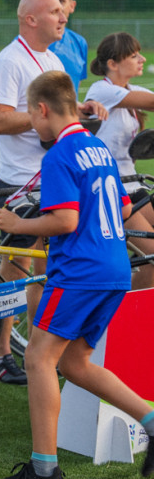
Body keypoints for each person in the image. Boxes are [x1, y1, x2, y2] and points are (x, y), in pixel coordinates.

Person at [0, 70, 154, 479]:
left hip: (80, 271)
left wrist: (16, 224)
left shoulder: (59, 155)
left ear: (42, 110)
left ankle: (45, 470)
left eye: (31, 114)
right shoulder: (98, 148)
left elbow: (65, 219)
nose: (32, 122)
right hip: (114, 267)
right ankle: (152, 421)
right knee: (74, 362)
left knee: (37, 360)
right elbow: (119, 210)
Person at [0, 0, 106, 385]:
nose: (63, 16)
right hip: (21, 181)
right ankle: (0, 354)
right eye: (54, 10)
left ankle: (39, 348)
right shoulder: (9, 61)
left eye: (63, 9)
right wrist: (45, 116)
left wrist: (79, 111)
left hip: (55, 175)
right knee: (16, 268)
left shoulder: (53, 59)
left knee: (45, 271)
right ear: (30, 19)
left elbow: (60, 112)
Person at [83, 32, 154, 289]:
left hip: (132, 185)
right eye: (134, 55)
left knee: (148, 257)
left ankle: (132, 311)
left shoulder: (130, 90)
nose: (142, 59)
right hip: (109, 190)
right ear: (112, 64)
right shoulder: (102, 90)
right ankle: (130, 318)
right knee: (151, 255)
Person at [43, 0, 89, 94]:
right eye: (48, 1)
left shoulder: (79, 43)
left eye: (61, 1)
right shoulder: (28, 43)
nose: (55, 6)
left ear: (72, 6)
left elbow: (76, 83)